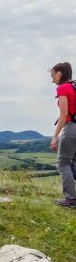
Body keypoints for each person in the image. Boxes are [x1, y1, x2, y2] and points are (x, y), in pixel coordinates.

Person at [50, 62, 76, 207]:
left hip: (71, 127)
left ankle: (71, 198)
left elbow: (64, 114)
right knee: (73, 163)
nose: (52, 79)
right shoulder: (75, 86)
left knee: (63, 162)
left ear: (59, 73)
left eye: (53, 75)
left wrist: (55, 136)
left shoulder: (63, 88)